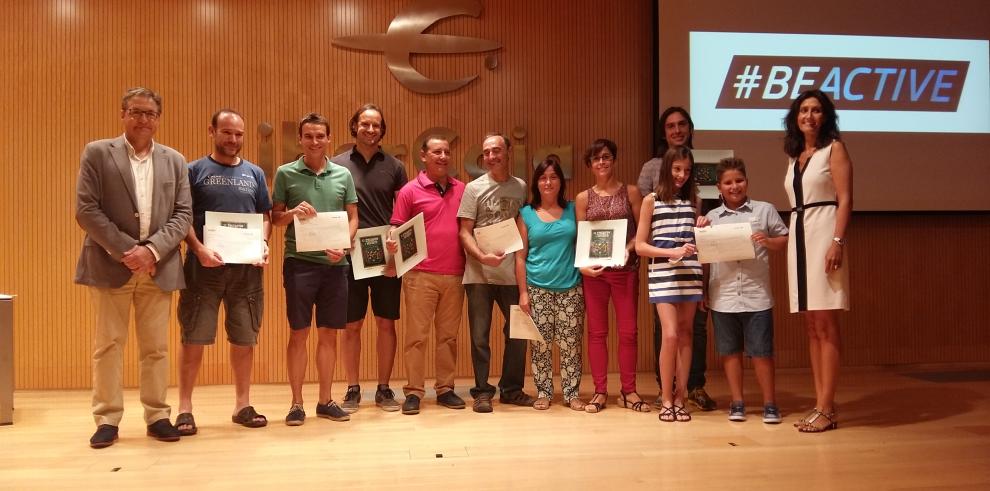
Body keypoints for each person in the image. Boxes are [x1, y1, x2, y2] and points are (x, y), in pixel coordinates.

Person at [75, 87, 192, 448]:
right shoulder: (98, 153)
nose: (144, 119)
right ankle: (107, 418)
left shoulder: (174, 160)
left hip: (158, 268)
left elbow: (183, 214)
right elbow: (87, 210)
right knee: (108, 345)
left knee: (156, 347)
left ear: (158, 119)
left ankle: (157, 415)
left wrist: (152, 251)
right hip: (111, 265)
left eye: (151, 114)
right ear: (123, 113)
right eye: (136, 112)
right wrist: (130, 251)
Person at [175, 109, 273, 435]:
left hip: (246, 271)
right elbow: (182, 217)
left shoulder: (255, 174)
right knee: (194, 338)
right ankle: (185, 409)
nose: (233, 140)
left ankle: (242, 404)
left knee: (245, 339)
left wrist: (262, 242)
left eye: (239, 134)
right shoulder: (193, 170)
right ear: (212, 131)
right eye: (227, 133)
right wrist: (199, 249)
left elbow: (266, 215)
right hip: (203, 269)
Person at [271, 113, 358, 426]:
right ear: (300, 139)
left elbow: (353, 218)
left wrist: (345, 246)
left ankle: (325, 400)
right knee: (299, 333)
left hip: (336, 266)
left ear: (329, 139)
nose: (314, 141)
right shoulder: (285, 173)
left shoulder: (343, 175)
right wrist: (293, 212)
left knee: (329, 335)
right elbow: (276, 218)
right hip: (300, 264)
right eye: (308, 136)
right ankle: (296, 403)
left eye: (320, 136)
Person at [637, 107, 717, 412]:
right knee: (669, 335)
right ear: (667, 167)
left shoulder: (693, 200)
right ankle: (666, 397)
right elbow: (641, 246)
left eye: (686, 170)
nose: (681, 175)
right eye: (676, 169)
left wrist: (702, 229)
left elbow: (696, 241)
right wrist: (670, 252)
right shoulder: (651, 200)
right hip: (663, 274)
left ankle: (682, 397)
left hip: (690, 274)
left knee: (686, 336)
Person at [782, 89, 852, 433]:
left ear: (826, 116)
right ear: (796, 117)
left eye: (816, 110)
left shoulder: (833, 149)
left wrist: (837, 241)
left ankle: (827, 407)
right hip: (800, 235)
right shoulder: (796, 155)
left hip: (825, 233)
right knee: (811, 325)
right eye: (803, 110)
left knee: (826, 323)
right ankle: (821, 402)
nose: (809, 116)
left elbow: (846, 198)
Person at [331, 104, 407, 413]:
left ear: (382, 130)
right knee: (352, 326)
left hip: (386, 256)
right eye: (365, 124)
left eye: (376, 125)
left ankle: (384, 389)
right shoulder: (335, 165)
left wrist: (395, 254)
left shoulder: (395, 166)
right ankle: (352, 388)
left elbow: (402, 213)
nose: (370, 129)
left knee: (386, 323)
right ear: (354, 127)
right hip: (349, 256)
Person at [704, 158, 788, 424]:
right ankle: (737, 401)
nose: (734, 186)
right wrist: (704, 291)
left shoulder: (764, 210)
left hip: (757, 294)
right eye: (728, 182)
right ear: (719, 187)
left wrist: (769, 241)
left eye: (739, 180)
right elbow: (705, 257)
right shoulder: (711, 218)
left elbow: (783, 239)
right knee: (730, 352)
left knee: (762, 353)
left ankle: (770, 403)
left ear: (747, 182)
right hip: (723, 295)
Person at [457, 133, 535, 413]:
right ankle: (482, 391)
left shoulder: (521, 187)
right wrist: (481, 256)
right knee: (479, 335)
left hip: (511, 275)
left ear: (508, 152)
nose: (491, 156)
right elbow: (464, 232)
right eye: (487, 152)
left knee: (518, 332)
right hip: (479, 274)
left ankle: (511, 389)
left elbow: (523, 229)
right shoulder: (473, 189)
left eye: (497, 151)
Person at [389, 136, 467, 415]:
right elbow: (397, 228)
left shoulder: (463, 189)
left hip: (455, 275)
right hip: (419, 275)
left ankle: (445, 388)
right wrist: (391, 241)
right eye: (437, 152)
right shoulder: (410, 190)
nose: (443, 156)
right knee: (416, 337)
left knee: (448, 337)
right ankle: (414, 391)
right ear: (424, 156)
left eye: (446, 151)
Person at [574, 139, 646, 413]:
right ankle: (600, 391)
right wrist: (582, 265)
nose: (601, 162)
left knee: (628, 333)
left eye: (606, 157)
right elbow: (582, 238)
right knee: (596, 333)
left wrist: (629, 248)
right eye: (595, 159)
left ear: (614, 160)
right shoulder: (583, 198)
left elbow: (641, 232)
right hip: (595, 274)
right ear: (589, 165)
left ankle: (629, 391)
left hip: (625, 271)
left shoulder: (631, 193)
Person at [515, 159, 586, 411]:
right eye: (543, 177)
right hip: (537, 288)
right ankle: (544, 392)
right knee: (540, 345)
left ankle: (571, 393)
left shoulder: (572, 209)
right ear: (536, 182)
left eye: (553, 177)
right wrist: (523, 293)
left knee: (571, 344)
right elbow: (520, 256)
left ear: (561, 181)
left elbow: (585, 244)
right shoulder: (526, 214)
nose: (548, 182)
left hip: (571, 288)